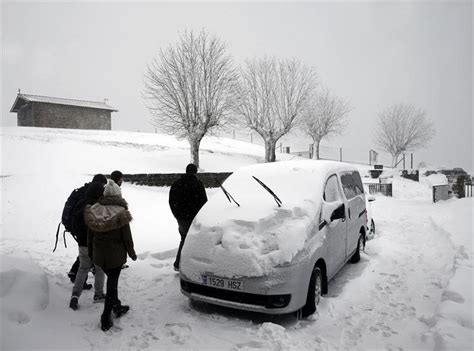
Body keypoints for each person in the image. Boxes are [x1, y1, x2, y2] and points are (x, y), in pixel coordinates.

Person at [84, 179, 137, 332]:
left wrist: (91, 253)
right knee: (112, 285)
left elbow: (90, 236)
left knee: (112, 283)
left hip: (100, 256)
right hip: (115, 257)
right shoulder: (121, 213)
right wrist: (132, 253)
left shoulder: (94, 210)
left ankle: (117, 306)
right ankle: (106, 317)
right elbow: (127, 237)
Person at [69, 181, 106, 310]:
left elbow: (74, 223)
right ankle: (99, 294)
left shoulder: (81, 203)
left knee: (83, 268)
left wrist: (80, 237)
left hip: (82, 243)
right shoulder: (98, 206)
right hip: (96, 243)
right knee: (99, 268)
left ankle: (75, 296)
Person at [169, 163, 207, 271]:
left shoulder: (176, 184)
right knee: (191, 240)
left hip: (181, 218)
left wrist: (176, 214)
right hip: (194, 217)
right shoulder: (198, 184)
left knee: (185, 239)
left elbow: (171, 201)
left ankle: (181, 264)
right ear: (195, 172)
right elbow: (204, 202)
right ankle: (182, 264)